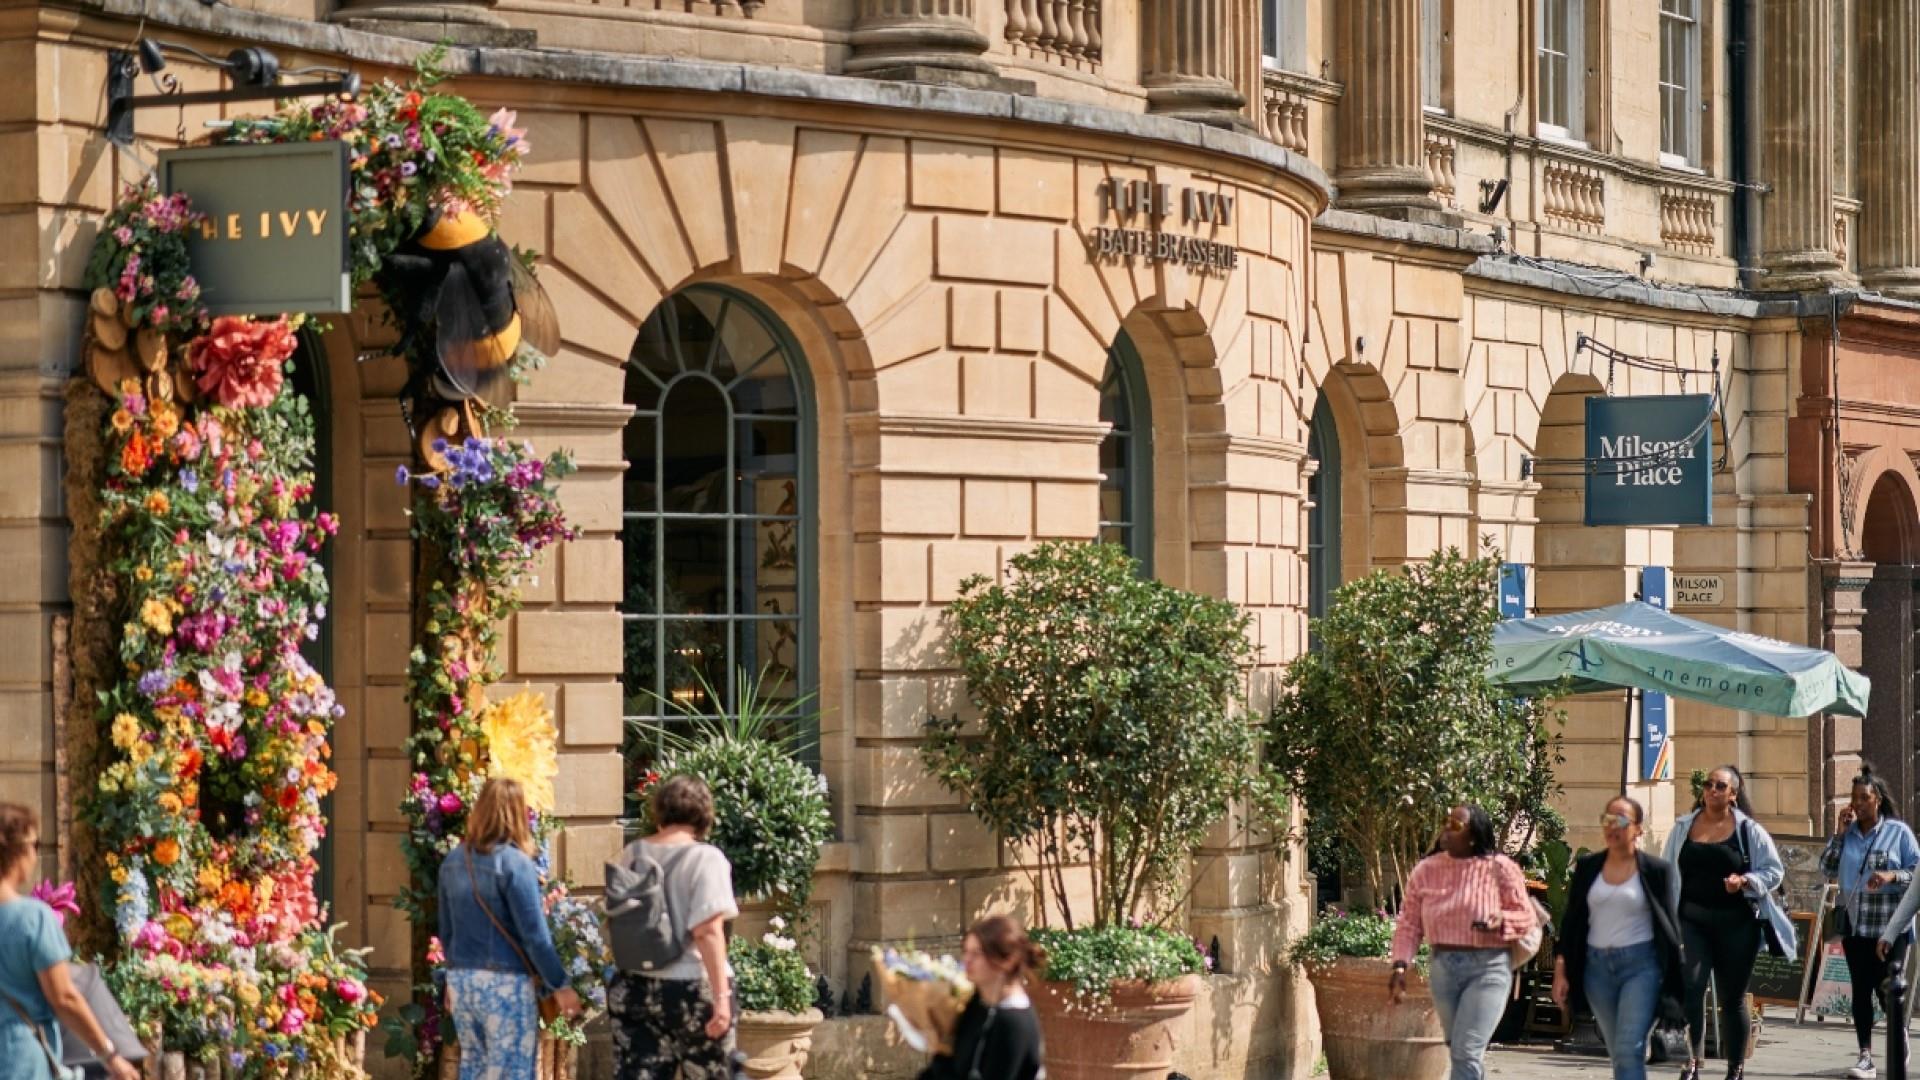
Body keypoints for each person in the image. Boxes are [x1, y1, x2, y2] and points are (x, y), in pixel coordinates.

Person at [438, 778, 582, 1079]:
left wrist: (451, 978)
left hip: (463, 981)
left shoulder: (453, 861)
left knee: (474, 1068)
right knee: (512, 1071)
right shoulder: (516, 864)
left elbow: (447, 931)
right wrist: (560, 985)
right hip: (506, 982)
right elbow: (535, 936)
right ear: (517, 813)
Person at [1661, 765, 1796, 1080]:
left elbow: (1774, 872)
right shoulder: (1683, 827)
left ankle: (1735, 1068)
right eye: (1708, 784)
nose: (1712, 790)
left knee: (1731, 997)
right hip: (1692, 921)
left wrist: (1745, 881)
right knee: (1691, 988)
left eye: (1720, 786)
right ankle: (1691, 1063)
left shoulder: (1749, 831)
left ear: (1733, 794)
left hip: (1737, 925)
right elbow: (1667, 871)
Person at [1389, 804, 1538, 1080]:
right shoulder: (1426, 870)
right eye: (1446, 822)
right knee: (1459, 1048)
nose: (1447, 829)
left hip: (1489, 968)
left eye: (1456, 825)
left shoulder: (1500, 868)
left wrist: (1501, 919)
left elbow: (1526, 918)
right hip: (1443, 968)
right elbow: (1409, 923)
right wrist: (1400, 964)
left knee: (1466, 1050)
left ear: (1474, 835)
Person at [609, 775, 739, 1080]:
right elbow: (707, 931)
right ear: (704, 813)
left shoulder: (634, 853)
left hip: (635, 985)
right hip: (690, 986)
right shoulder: (706, 858)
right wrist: (721, 997)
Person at [0, 802, 140, 1080]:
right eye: (35, 845)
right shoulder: (33, 918)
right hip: (19, 1057)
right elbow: (64, 997)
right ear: (19, 851)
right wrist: (110, 1055)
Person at [1551, 795, 1684, 1080]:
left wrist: (1675, 979)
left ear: (1638, 829)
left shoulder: (1656, 871)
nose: (1612, 826)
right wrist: (1561, 970)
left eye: (1621, 820)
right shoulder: (1588, 867)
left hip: (1641, 967)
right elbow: (1572, 922)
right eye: (1607, 820)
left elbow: (1668, 927)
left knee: (1628, 1049)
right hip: (1597, 970)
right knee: (1618, 1051)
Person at [1823, 766, 1920, 1080]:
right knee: (1861, 990)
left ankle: (1898, 1037)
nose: (1858, 804)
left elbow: (1916, 873)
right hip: (1856, 926)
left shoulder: (1898, 832)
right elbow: (1827, 868)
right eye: (1854, 798)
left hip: (1891, 926)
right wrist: (1839, 834)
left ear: (1877, 799)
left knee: (1887, 990)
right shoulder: (1848, 834)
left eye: (1864, 798)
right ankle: (1865, 1056)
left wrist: (1891, 876)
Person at [917, 915, 1045, 1080]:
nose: (967, 960)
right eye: (966, 952)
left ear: (1008, 961)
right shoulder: (977, 1002)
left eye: (977, 954)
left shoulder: (1014, 1024)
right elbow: (951, 1065)